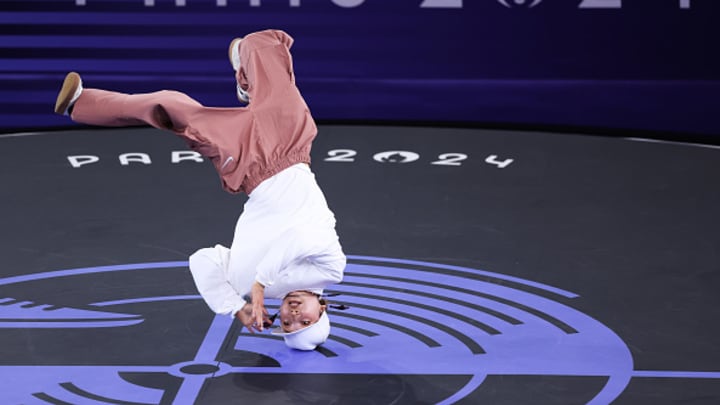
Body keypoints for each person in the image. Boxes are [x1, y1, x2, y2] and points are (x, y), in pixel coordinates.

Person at [53, 29, 346, 351]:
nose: (294, 315)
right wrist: (260, 285)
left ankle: (80, 104)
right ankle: (246, 75)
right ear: (323, 309)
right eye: (306, 320)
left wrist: (235, 305)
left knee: (173, 109)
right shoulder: (331, 271)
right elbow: (299, 240)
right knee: (262, 43)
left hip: (248, 165)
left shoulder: (244, 287)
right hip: (292, 145)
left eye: (288, 324)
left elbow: (203, 260)